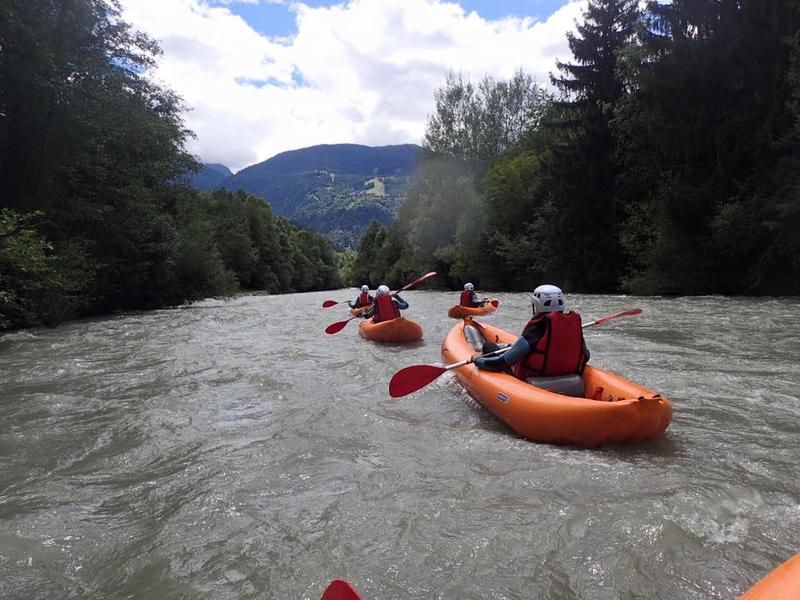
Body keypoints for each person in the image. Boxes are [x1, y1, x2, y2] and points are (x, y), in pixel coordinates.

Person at [474, 284, 589, 381]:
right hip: (568, 375)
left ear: (537, 305)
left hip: (535, 376)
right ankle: (508, 347)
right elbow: (586, 356)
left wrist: (477, 360)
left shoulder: (537, 328)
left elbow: (501, 363)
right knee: (509, 348)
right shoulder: (572, 323)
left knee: (488, 347)